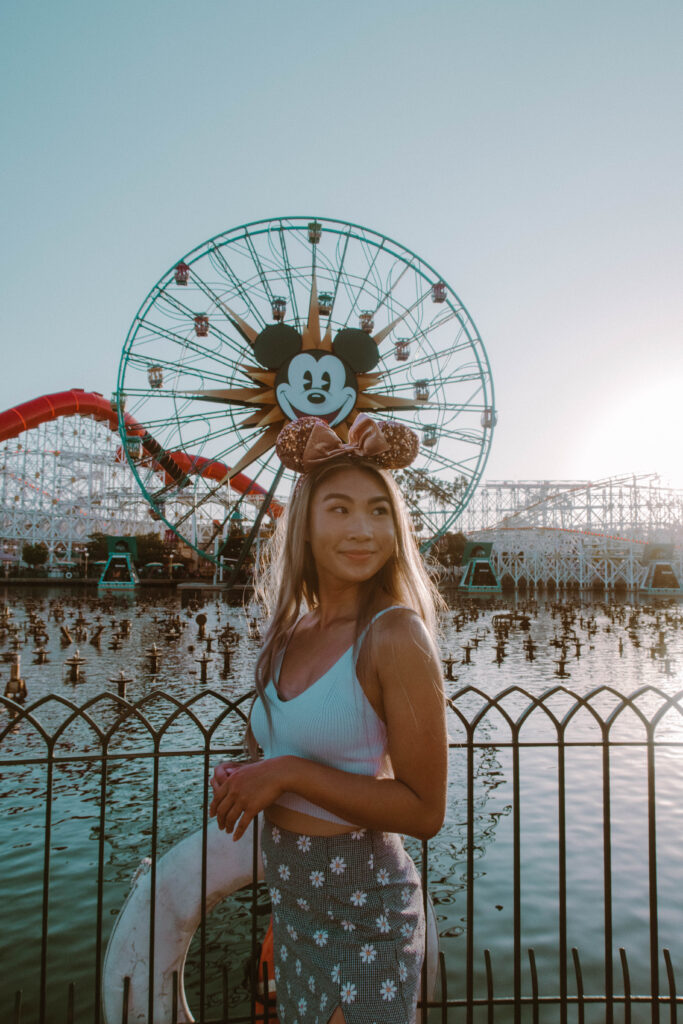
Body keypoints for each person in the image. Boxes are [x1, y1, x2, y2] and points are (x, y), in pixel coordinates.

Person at [209, 413, 448, 1024]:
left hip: (365, 913)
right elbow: (271, 749)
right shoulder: (286, 633)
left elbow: (426, 811)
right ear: (306, 527)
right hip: (293, 913)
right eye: (339, 509)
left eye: (379, 510)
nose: (362, 529)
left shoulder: (395, 634)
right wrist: (248, 773)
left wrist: (288, 773)